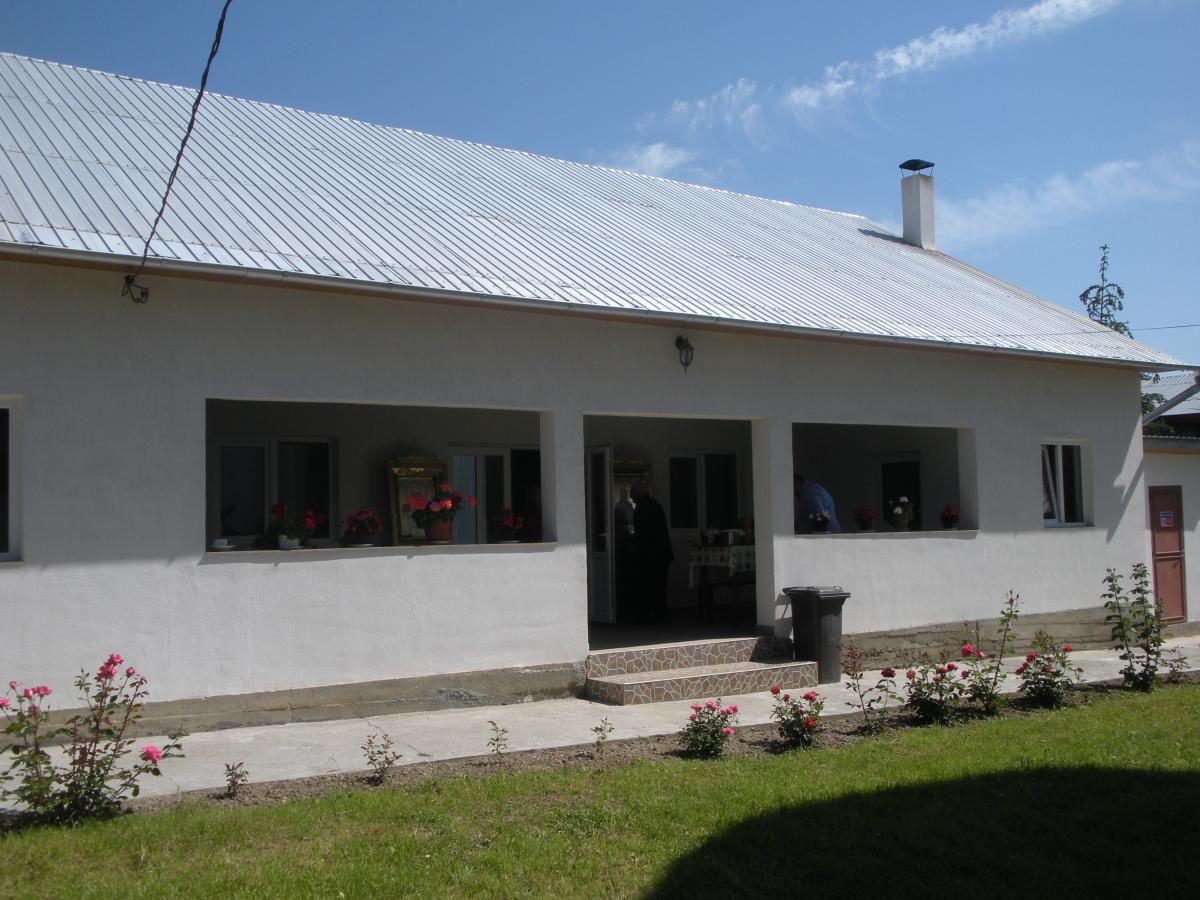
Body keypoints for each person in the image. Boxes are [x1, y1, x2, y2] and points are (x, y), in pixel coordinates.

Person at [630, 481, 673, 624]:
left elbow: (641, 534)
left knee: (649, 586)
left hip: (650, 556)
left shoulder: (642, 508)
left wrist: (635, 549)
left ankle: (649, 616)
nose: (630, 496)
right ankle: (660, 615)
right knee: (660, 586)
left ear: (638, 494)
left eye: (632, 493)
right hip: (660, 555)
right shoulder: (654, 505)